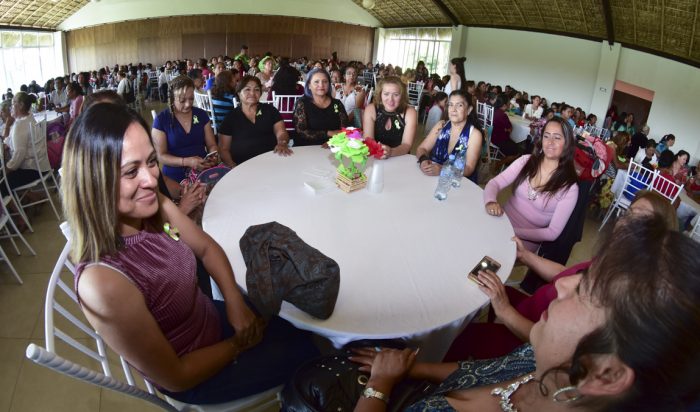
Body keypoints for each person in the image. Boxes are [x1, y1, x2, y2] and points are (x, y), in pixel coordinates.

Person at [61, 103, 317, 405]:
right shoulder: (103, 281)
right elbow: (176, 376)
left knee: (299, 323)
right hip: (197, 369)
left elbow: (207, 248)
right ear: (94, 182)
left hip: (209, 318)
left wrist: (234, 302)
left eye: (152, 161)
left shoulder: (150, 203)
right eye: (131, 170)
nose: (150, 179)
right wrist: (239, 343)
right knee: (310, 355)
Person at [345, 214, 700, 412]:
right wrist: (415, 367)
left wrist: (379, 386)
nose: (564, 285)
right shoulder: (553, 363)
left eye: (588, 291)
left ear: (605, 376)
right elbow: (483, 370)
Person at [445, 189, 678, 362]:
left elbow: (554, 343)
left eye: (642, 222)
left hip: (526, 339)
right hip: (531, 307)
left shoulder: (620, 289)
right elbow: (563, 273)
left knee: (458, 337)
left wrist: (505, 312)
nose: (626, 223)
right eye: (628, 214)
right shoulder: (613, 259)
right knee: (480, 285)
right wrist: (526, 256)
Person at [484, 117, 578, 252]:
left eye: (557, 138)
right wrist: (490, 201)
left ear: (567, 144)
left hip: (524, 242)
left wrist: (512, 230)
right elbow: (495, 182)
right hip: (500, 222)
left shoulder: (569, 188)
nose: (550, 142)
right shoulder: (526, 161)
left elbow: (552, 232)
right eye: (546, 136)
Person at [151, 76, 219, 183]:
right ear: (173, 98)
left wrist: (213, 155)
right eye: (182, 100)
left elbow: (211, 145)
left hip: (202, 171)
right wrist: (187, 162)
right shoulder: (162, 120)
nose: (188, 104)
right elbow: (160, 156)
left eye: (191, 99)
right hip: (174, 178)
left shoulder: (201, 115)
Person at [218, 76, 292, 167]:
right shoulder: (231, 118)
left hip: (272, 161)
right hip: (242, 165)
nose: (252, 93)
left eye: (256, 89)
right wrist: (233, 167)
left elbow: (281, 131)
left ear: (260, 93)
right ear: (238, 93)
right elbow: (223, 149)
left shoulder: (270, 110)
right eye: (247, 89)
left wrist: (282, 142)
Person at [416, 90, 482, 181]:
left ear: (469, 110)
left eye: (459, 105)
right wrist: (423, 160)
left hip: (457, 183)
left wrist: (442, 170)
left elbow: (469, 168)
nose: (453, 109)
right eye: (450, 104)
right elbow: (422, 148)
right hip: (431, 178)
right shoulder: (441, 125)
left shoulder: (474, 135)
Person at [3, 92, 50, 195]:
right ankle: (35, 199)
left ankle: (23, 207)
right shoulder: (29, 118)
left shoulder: (19, 125)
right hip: (42, 165)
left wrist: (7, 169)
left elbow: (19, 155)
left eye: (12, 104)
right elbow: (9, 142)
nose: (11, 107)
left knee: (3, 182)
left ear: (21, 105)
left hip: (33, 170)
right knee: (6, 177)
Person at [361, 77, 416, 158]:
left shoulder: (410, 113)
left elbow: (407, 145)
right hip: (376, 156)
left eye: (396, 95)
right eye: (386, 94)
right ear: (380, 94)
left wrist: (391, 152)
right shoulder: (371, 109)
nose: (390, 100)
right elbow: (369, 140)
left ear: (402, 96)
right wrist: (380, 152)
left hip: (400, 157)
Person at [292, 68, 348, 146]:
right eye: (316, 82)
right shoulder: (302, 103)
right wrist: (328, 133)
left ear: (329, 84)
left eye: (325, 81)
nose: (321, 85)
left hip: (333, 147)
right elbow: (301, 131)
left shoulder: (337, 104)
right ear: (309, 85)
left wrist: (333, 142)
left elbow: (344, 130)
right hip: (307, 148)